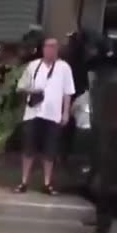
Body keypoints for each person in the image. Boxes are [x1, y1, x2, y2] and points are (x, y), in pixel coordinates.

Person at [15, 36, 75, 195]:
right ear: (43, 49)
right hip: (33, 113)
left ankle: (47, 183)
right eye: (48, 46)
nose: (50, 49)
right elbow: (20, 87)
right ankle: (23, 181)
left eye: (54, 47)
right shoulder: (33, 66)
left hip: (53, 114)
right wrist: (32, 91)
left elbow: (68, 93)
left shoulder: (64, 67)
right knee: (28, 148)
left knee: (50, 150)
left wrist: (65, 112)